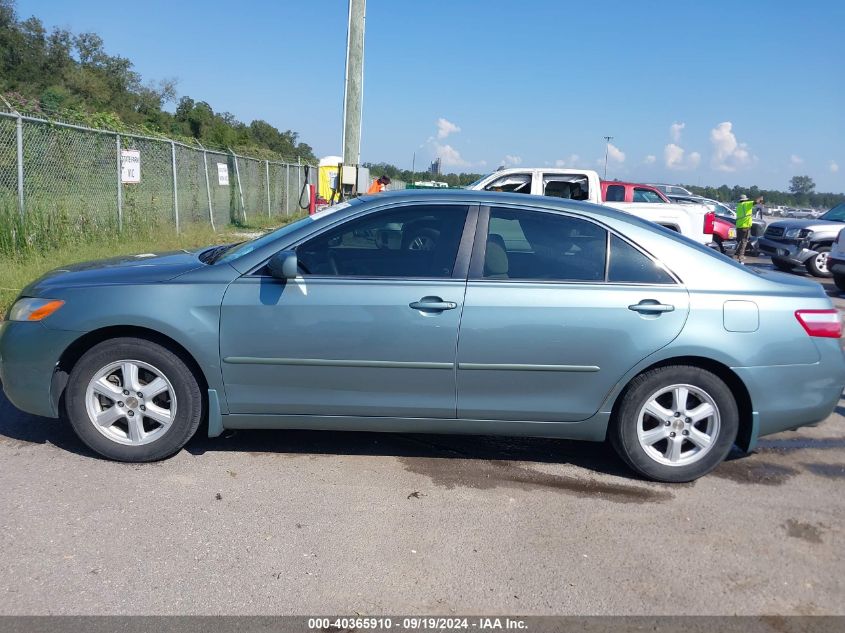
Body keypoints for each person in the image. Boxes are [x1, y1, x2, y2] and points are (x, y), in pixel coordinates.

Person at [735, 194, 760, 263]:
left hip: (739, 226)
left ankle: (737, 254)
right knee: (744, 241)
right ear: (745, 200)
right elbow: (756, 202)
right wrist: (761, 198)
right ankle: (741, 257)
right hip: (745, 226)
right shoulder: (746, 204)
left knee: (739, 241)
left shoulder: (739, 206)